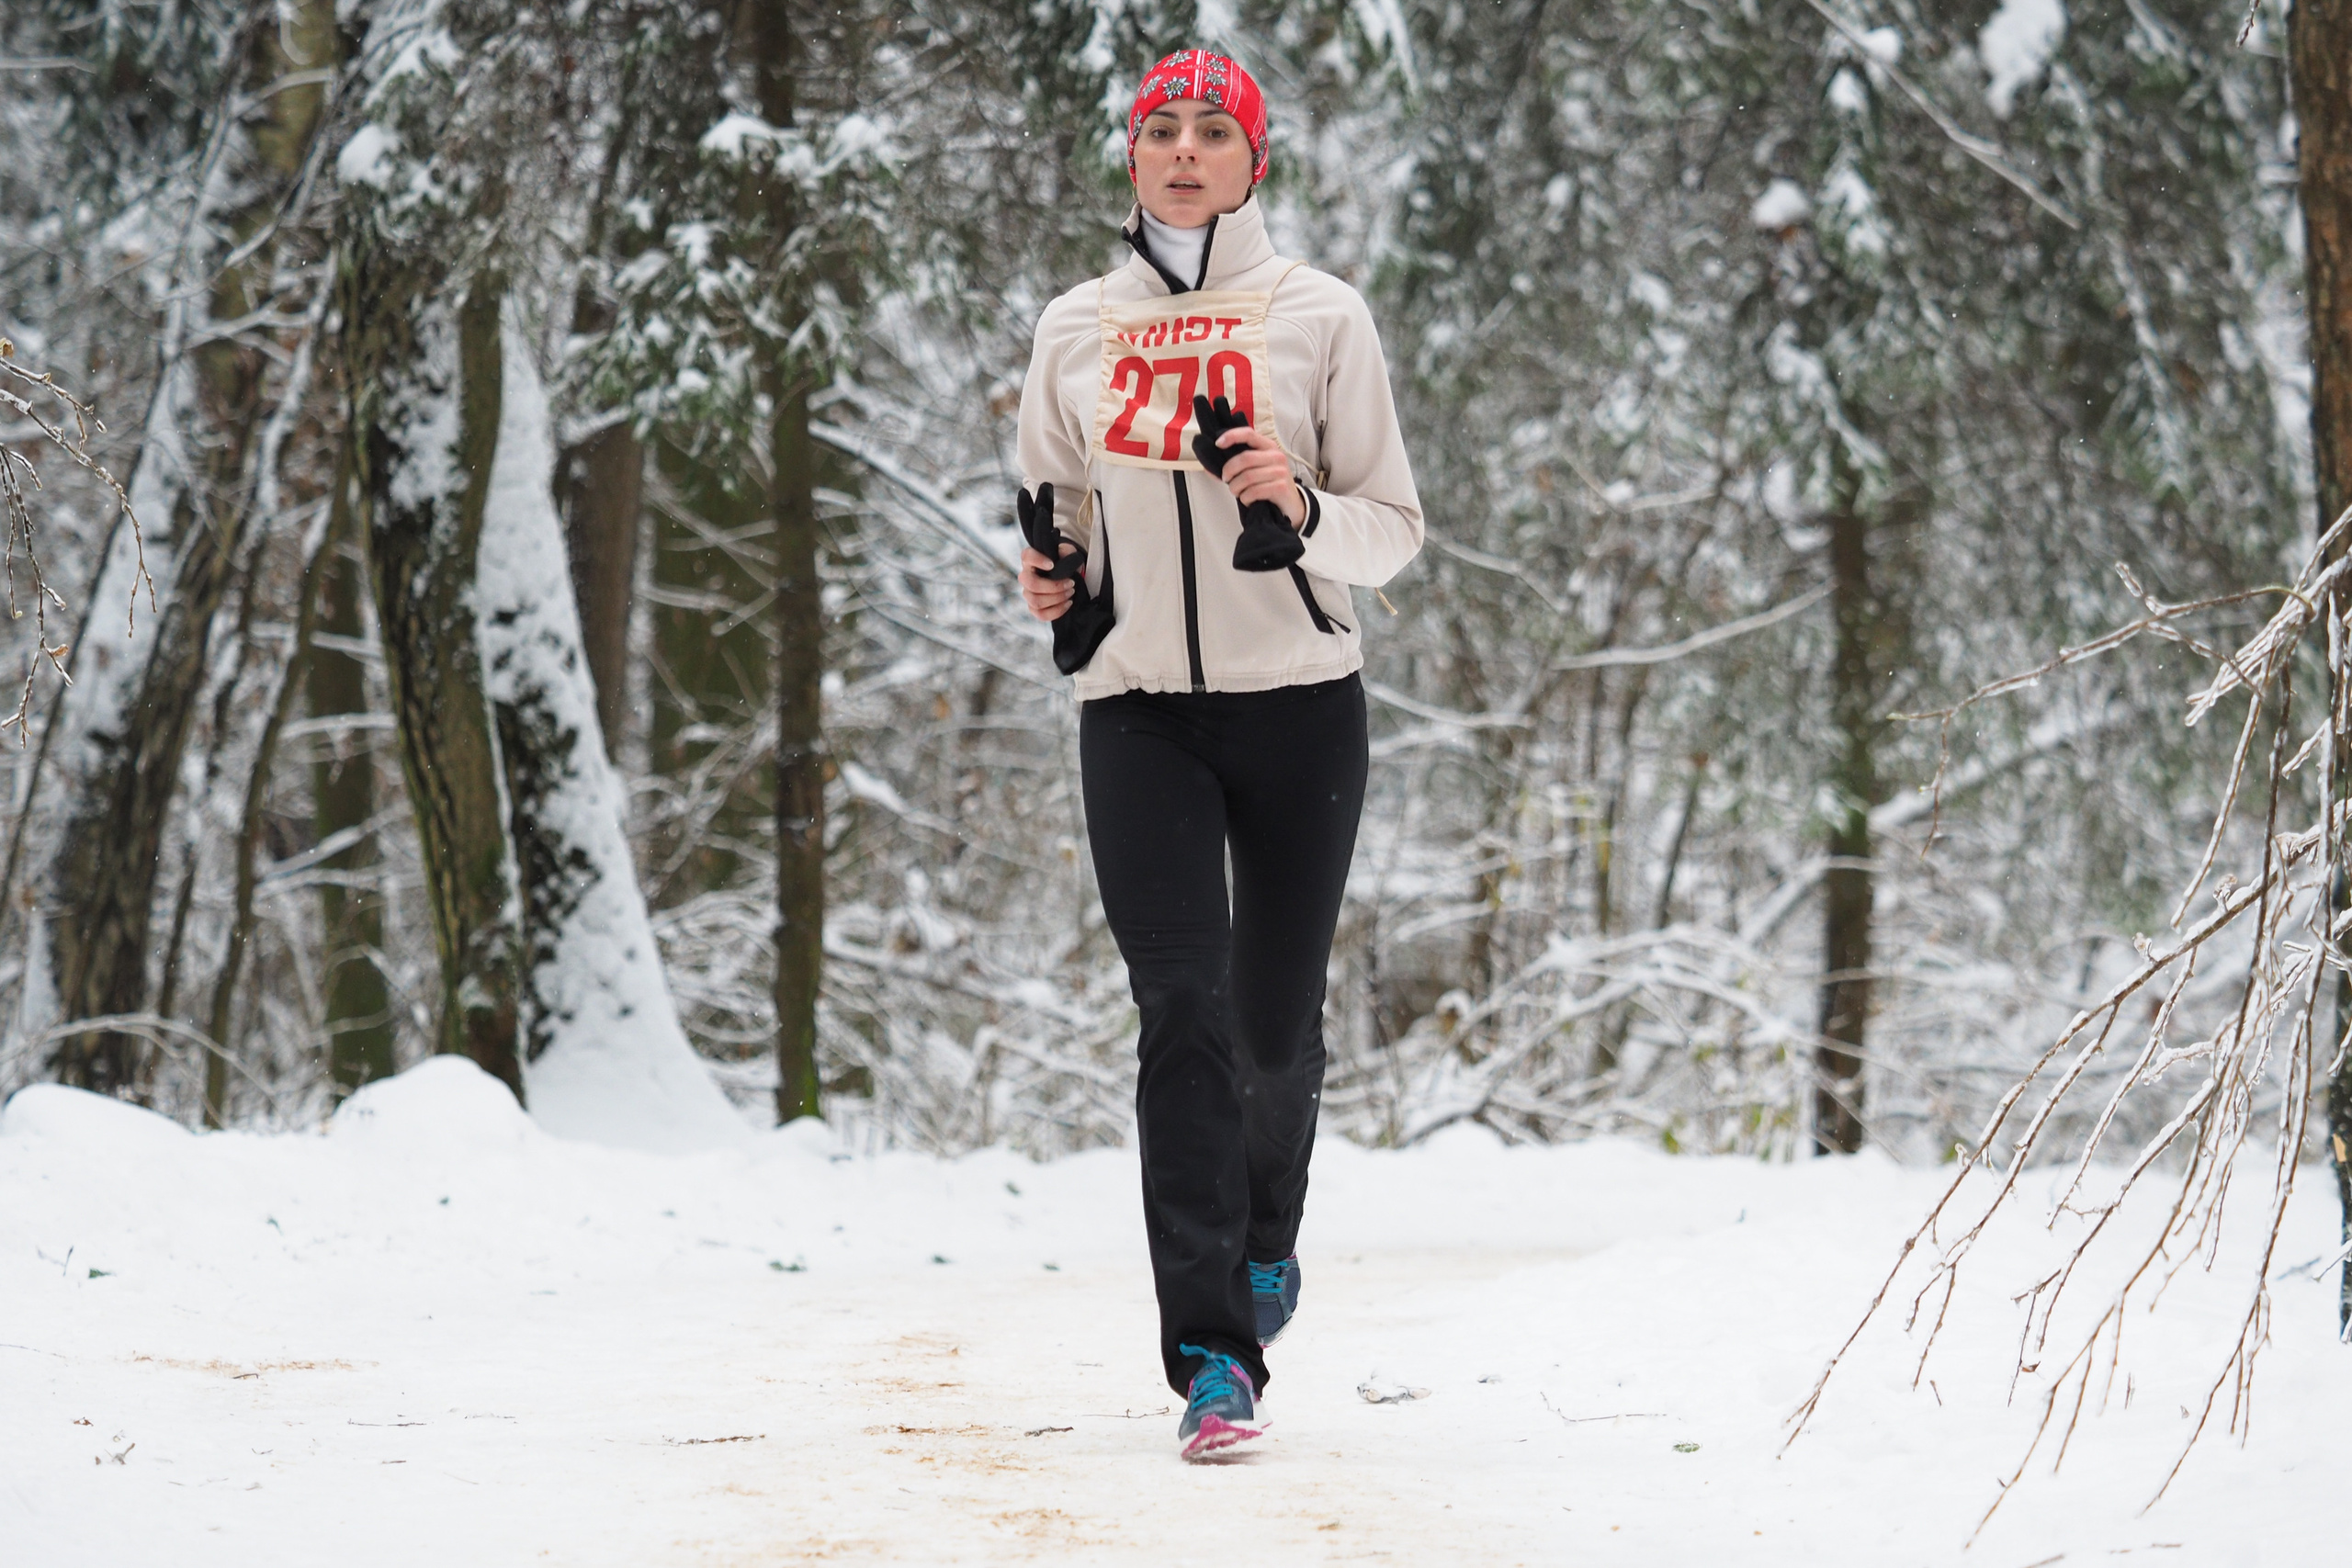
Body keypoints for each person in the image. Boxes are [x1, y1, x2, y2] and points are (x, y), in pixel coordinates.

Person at [1015, 48, 1423, 1461]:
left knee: (1269, 1027)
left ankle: (1264, 1242)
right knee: (1179, 1009)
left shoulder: (1320, 316)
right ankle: (1210, 1357)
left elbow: (1394, 532)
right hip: (1139, 713)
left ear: (1256, 161)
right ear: (1130, 158)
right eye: (1160, 130)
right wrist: (1053, 582)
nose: (1183, 151)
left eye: (1212, 131)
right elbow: (1057, 517)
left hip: (1301, 701)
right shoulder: (1075, 327)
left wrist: (1300, 508)